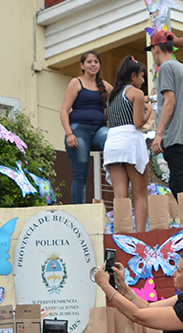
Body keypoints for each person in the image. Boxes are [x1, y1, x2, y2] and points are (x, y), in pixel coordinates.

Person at [103, 55, 151, 231]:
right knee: (140, 195)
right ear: (133, 76)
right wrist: (149, 111)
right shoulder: (136, 93)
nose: (143, 80)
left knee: (120, 196)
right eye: (141, 76)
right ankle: (139, 235)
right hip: (130, 142)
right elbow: (138, 123)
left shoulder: (112, 96)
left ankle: (121, 231)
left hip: (112, 143)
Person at [150, 31, 183, 199]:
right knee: (178, 181)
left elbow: (169, 101)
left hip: (175, 136)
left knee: (178, 183)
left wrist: (159, 134)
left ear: (156, 48)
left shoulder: (165, 68)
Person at [60, 50, 113, 204]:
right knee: (81, 173)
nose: (93, 65)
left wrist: (146, 98)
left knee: (111, 139)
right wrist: (69, 133)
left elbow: (123, 96)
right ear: (82, 65)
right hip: (79, 130)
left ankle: (114, 176)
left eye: (96, 62)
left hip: (99, 130)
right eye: (89, 62)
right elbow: (64, 111)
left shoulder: (104, 85)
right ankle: (80, 211)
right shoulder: (76, 83)